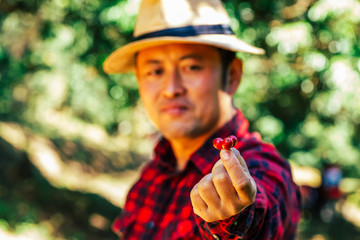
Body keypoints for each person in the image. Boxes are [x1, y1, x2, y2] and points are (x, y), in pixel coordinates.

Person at [103, 0, 302, 239]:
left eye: (191, 67)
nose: (171, 89)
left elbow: (262, 210)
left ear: (232, 76)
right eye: (155, 71)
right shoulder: (151, 176)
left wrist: (235, 216)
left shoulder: (264, 167)